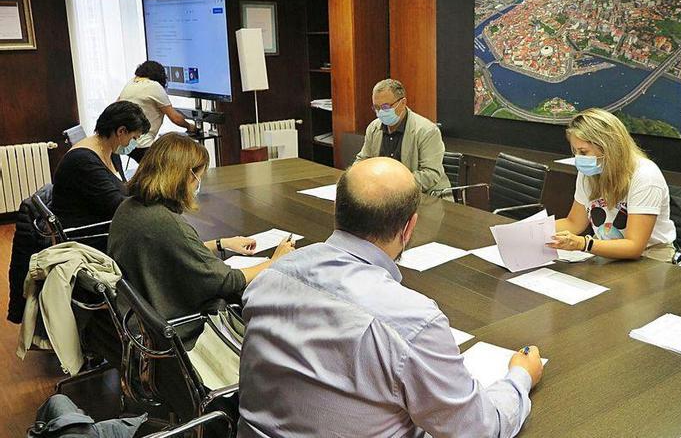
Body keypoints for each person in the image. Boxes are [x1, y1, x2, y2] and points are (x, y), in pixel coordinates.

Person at [238, 157, 542, 438]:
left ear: (338, 209)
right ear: (409, 227)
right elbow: (480, 430)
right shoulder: (413, 322)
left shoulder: (272, 276)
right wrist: (520, 377)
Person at [108, 133, 294, 345]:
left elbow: (169, 249)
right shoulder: (165, 222)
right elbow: (226, 281)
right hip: (179, 329)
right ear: (187, 176)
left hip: (140, 322)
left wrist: (220, 244)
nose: (198, 185)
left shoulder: (131, 207)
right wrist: (274, 262)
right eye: (199, 177)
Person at [548, 109, 676, 261]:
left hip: (649, 258)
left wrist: (584, 244)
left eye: (583, 152)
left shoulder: (645, 176)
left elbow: (634, 247)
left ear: (609, 148)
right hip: (606, 252)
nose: (578, 158)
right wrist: (532, 230)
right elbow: (574, 223)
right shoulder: (589, 173)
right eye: (575, 152)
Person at [51, 101, 150, 252]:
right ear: (121, 131)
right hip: (88, 239)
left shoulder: (110, 151)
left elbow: (120, 189)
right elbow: (118, 207)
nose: (134, 144)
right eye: (134, 138)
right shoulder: (83, 161)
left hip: (104, 228)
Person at [355, 78, 451, 195]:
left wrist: (392, 185)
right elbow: (363, 160)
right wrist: (355, 177)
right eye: (376, 108)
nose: (380, 112)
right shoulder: (373, 128)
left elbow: (430, 175)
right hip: (384, 195)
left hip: (425, 195)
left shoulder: (427, 131)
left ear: (403, 103)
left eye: (385, 107)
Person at [117, 60, 195, 162]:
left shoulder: (131, 83)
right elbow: (175, 118)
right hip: (142, 143)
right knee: (170, 166)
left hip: (124, 142)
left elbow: (116, 106)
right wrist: (189, 126)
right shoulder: (154, 86)